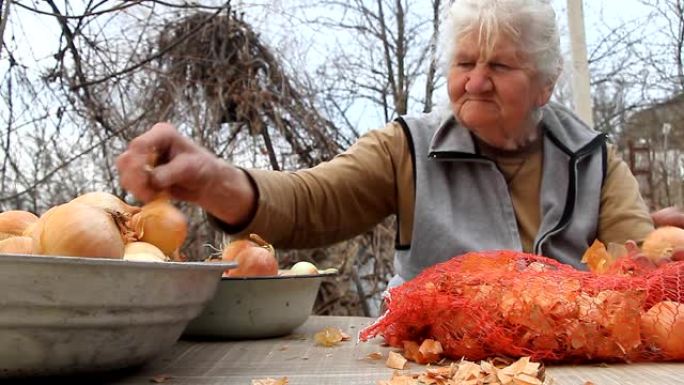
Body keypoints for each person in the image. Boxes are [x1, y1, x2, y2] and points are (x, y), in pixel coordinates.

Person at [117, 0, 683, 288]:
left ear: (544, 84)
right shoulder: (407, 147)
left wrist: (667, 258)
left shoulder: (594, 157)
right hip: (431, 365)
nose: (476, 82)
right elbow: (310, 202)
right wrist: (213, 179)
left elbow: (639, 269)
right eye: (464, 63)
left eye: (499, 66)